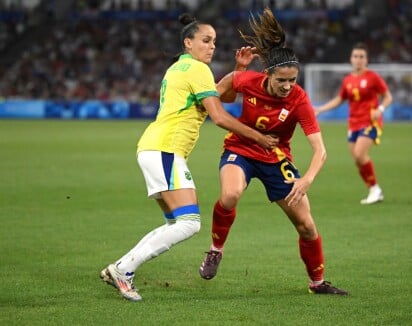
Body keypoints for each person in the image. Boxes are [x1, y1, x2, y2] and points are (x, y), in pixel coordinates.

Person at [99, 13, 278, 301]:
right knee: (189, 223)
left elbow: (221, 98)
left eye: (215, 42)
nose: (211, 47)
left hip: (154, 148)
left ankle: (121, 268)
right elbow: (219, 116)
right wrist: (259, 138)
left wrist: (238, 69)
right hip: (166, 150)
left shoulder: (180, 68)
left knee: (176, 223)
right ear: (188, 42)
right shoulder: (197, 70)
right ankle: (124, 269)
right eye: (206, 41)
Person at [198, 8, 348, 295]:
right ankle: (215, 250)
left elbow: (320, 150)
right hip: (240, 148)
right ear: (267, 74)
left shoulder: (299, 100)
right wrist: (239, 70)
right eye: (282, 80)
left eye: (292, 80)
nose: (288, 86)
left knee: (306, 225)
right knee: (230, 195)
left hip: (276, 158)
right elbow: (223, 95)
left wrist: (307, 180)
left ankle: (317, 283)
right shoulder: (248, 80)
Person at [314, 42, 393, 205]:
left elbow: (388, 96)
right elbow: (339, 99)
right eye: (356, 56)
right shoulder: (348, 80)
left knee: (359, 154)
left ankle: (375, 190)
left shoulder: (373, 77)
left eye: (361, 57)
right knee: (357, 159)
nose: (358, 60)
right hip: (353, 123)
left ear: (366, 59)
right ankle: (374, 189)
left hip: (370, 121)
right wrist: (321, 109)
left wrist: (381, 109)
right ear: (351, 59)